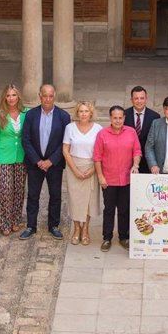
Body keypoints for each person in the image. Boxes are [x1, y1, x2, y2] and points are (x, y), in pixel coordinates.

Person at [20, 84, 71, 240]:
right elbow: (26, 139)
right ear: (39, 96)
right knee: (33, 195)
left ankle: (53, 225)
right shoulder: (31, 115)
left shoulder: (63, 116)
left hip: (54, 164)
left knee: (55, 195)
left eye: (50, 95)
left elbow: (65, 142)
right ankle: (31, 226)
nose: (47, 99)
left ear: (54, 95)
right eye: (44, 95)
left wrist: (51, 160)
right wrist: (37, 160)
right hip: (35, 163)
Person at [93, 105, 141, 252]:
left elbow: (137, 151)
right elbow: (97, 157)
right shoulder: (102, 134)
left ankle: (123, 237)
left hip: (127, 179)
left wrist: (136, 164)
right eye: (115, 118)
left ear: (124, 118)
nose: (118, 120)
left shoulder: (131, 132)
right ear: (110, 118)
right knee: (109, 210)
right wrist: (100, 176)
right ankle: (107, 238)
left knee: (124, 209)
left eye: (120, 118)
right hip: (109, 179)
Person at [63, 101, 103, 245]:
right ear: (77, 113)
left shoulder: (98, 128)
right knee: (75, 199)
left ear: (91, 113)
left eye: (86, 111)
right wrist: (75, 170)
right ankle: (76, 229)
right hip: (74, 166)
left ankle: (85, 229)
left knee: (89, 200)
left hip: (91, 166)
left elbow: (101, 152)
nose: (84, 114)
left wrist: (93, 170)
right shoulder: (70, 128)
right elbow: (65, 150)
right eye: (81, 111)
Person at [0, 85, 28, 236]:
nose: (11, 98)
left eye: (14, 95)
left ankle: (15, 220)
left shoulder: (26, 113)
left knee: (19, 190)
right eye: (8, 95)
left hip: (21, 157)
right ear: (4, 98)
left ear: (18, 96)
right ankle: (5, 222)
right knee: (5, 190)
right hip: (4, 158)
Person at [124, 86, 160, 174]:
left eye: (142, 98)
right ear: (131, 99)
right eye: (136, 98)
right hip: (127, 160)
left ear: (146, 99)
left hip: (147, 162)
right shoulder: (123, 115)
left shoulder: (155, 117)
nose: (139, 101)